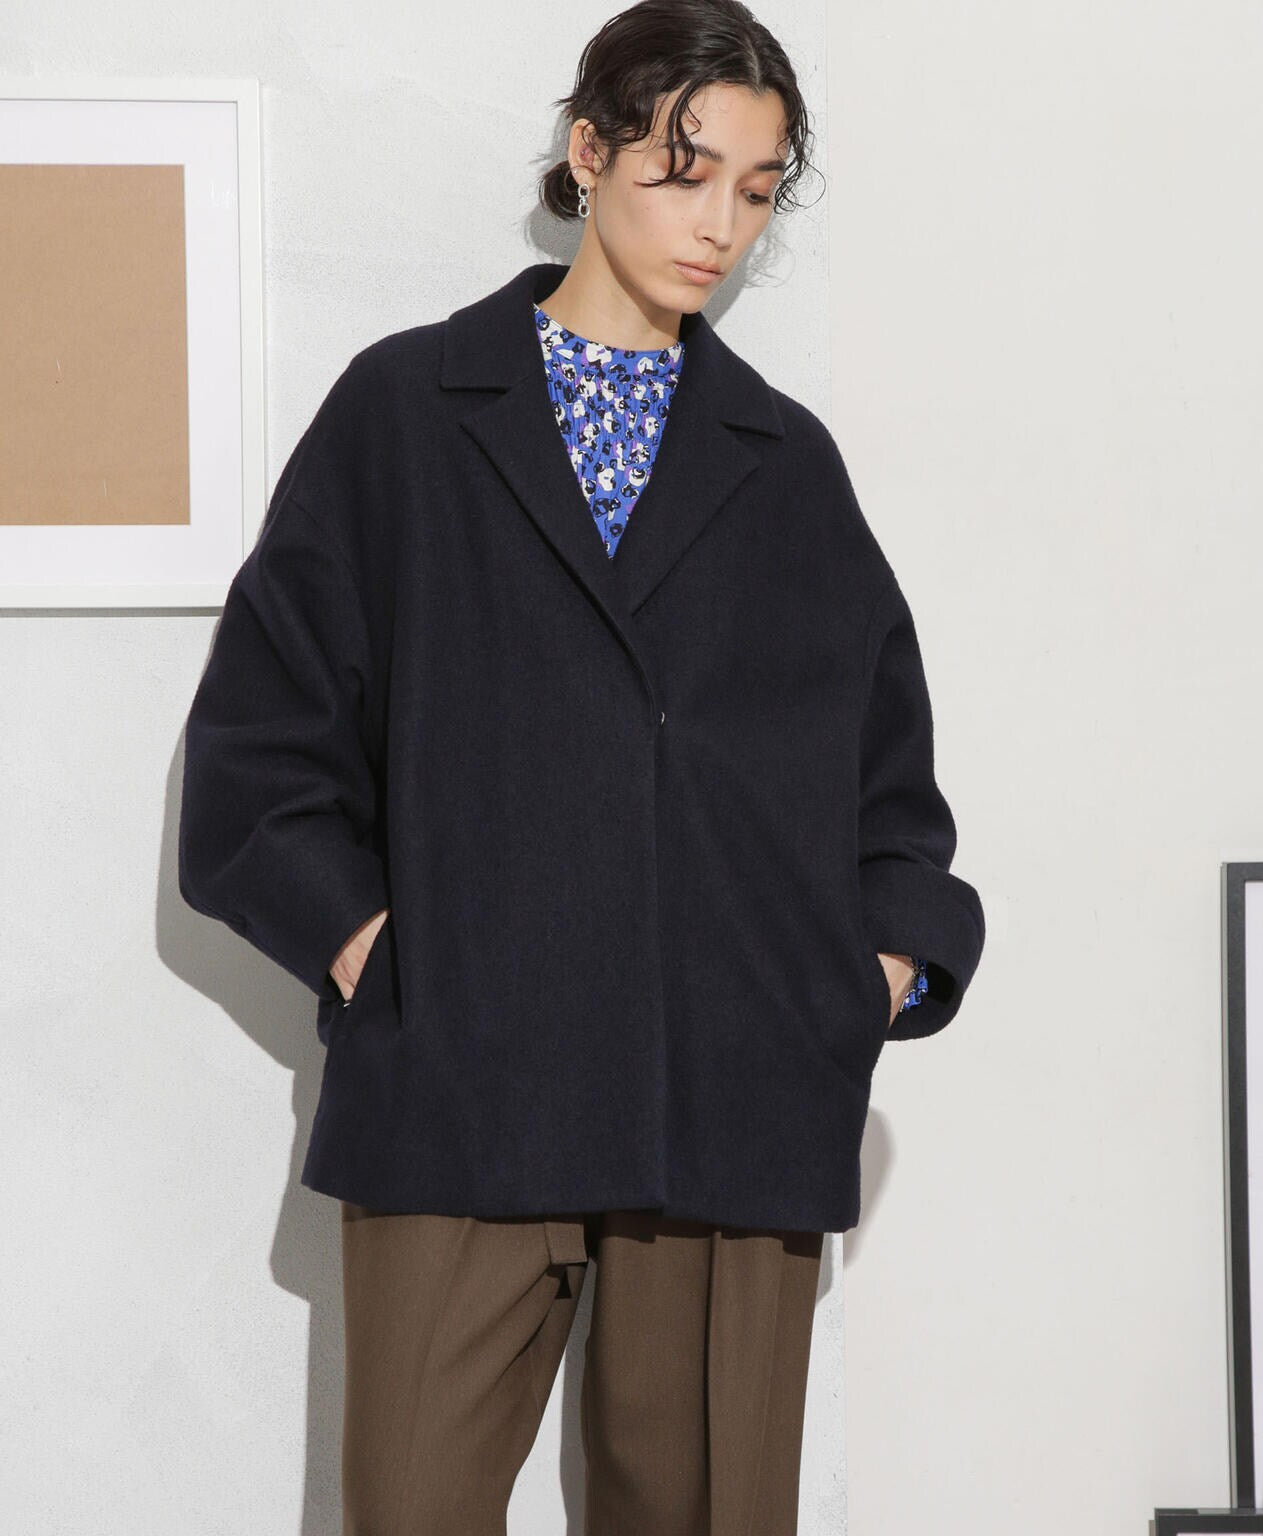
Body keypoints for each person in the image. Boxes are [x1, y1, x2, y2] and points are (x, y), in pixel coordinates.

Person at [177, 0, 985, 1529]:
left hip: (733, 1095)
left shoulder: (786, 466)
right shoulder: (405, 415)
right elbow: (257, 753)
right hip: (465, 1077)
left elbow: (892, 797)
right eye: (687, 171)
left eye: (757, 189)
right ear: (590, 149)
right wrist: (374, 953)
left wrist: (869, 978)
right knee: (411, 1505)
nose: (721, 224)